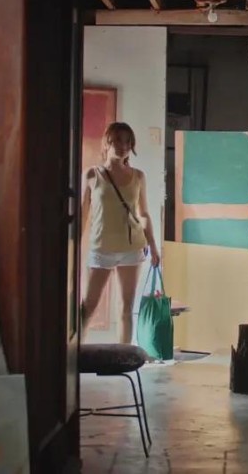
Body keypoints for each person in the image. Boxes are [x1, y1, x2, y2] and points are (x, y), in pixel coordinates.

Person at [81, 122, 160, 344]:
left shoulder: (138, 176)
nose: (123, 146)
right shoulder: (92, 174)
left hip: (132, 248)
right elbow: (82, 214)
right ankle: (73, 353)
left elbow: (143, 213)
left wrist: (153, 246)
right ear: (107, 142)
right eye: (117, 140)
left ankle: (123, 354)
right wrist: (73, 247)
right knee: (88, 306)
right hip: (101, 248)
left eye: (127, 141)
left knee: (126, 308)